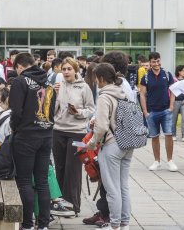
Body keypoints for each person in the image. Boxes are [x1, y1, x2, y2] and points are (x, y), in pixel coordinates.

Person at [9, 53, 56, 230]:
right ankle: (43, 225)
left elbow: (16, 112)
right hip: (46, 134)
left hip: (26, 136)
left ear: (20, 66)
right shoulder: (49, 82)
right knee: (42, 181)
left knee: (25, 181)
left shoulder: (20, 82)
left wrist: (15, 128)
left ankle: (27, 225)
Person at [86, 63, 133, 230]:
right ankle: (124, 223)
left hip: (112, 145)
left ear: (101, 78)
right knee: (123, 186)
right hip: (127, 143)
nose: (95, 82)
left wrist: (91, 144)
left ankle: (114, 225)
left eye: (95, 78)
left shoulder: (105, 96)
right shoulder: (123, 92)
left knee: (112, 189)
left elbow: (101, 128)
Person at [53, 57, 95, 214]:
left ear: (75, 70)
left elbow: (91, 109)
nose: (65, 72)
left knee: (73, 169)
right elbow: (53, 109)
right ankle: (59, 204)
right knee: (60, 167)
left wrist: (78, 113)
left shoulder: (84, 87)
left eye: (69, 69)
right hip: (58, 130)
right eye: (63, 69)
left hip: (77, 132)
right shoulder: (58, 85)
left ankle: (73, 205)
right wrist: (54, 94)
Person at [140, 52, 177, 172]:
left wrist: (171, 106)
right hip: (151, 112)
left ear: (160, 61)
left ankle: (170, 161)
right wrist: (145, 112)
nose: (156, 64)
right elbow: (142, 94)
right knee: (155, 137)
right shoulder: (145, 76)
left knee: (168, 135)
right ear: (150, 63)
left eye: (158, 61)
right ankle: (157, 161)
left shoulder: (167, 74)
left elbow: (172, 91)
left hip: (166, 110)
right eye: (154, 62)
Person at [172, 65, 184, 142]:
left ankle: (183, 136)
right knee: (174, 119)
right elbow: (171, 91)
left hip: (183, 102)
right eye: (183, 70)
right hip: (175, 101)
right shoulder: (174, 80)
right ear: (179, 71)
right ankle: (173, 135)